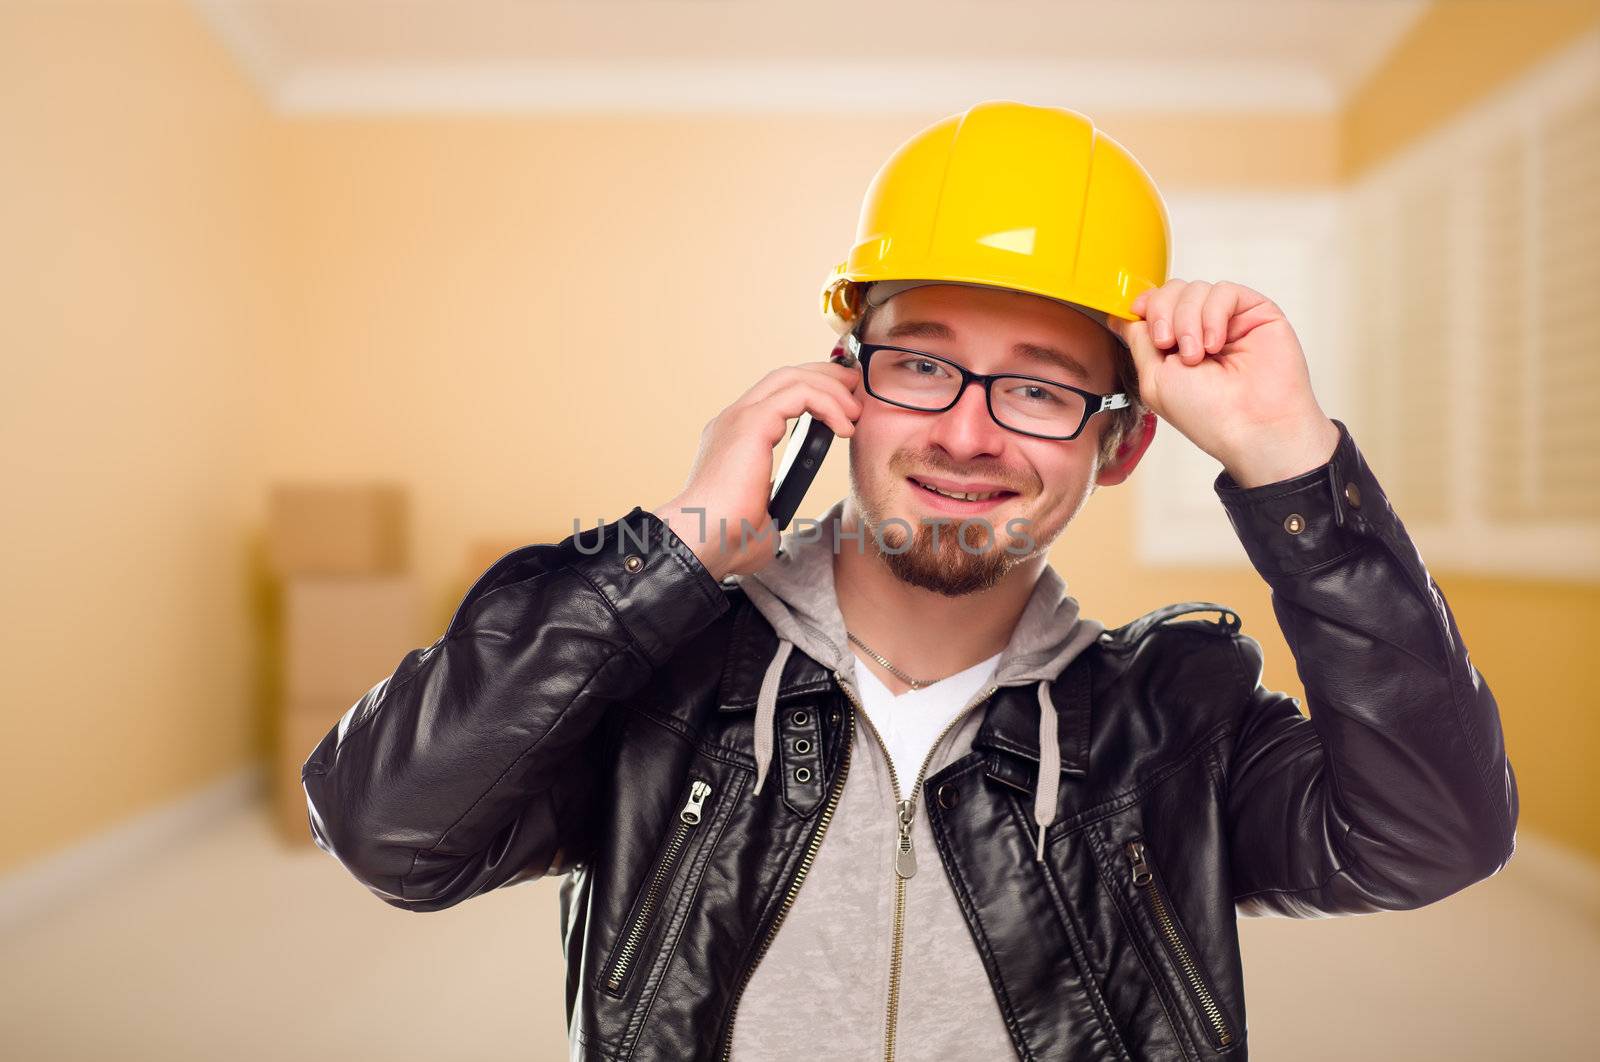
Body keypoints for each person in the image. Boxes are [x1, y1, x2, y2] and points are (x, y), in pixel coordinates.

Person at [302, 101, 1518, 1061]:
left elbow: (1431, 835)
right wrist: (672, 554)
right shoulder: (659, 686)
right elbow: (386, 828)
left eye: (1037, 388)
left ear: (1120, 443)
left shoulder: (1171, 729)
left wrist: (1292, 466)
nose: (967, 435)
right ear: (844, 387)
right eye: (919, 367)